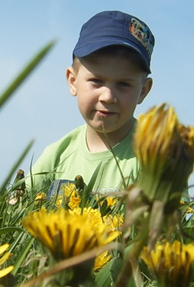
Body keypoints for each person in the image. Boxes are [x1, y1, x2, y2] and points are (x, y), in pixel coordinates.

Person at [30, 10, 154, 195]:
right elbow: (16, 208)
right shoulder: (58, 155)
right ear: (73, 81)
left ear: (143, 91)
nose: (107, 96)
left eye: (123, 84)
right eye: (97, 81)